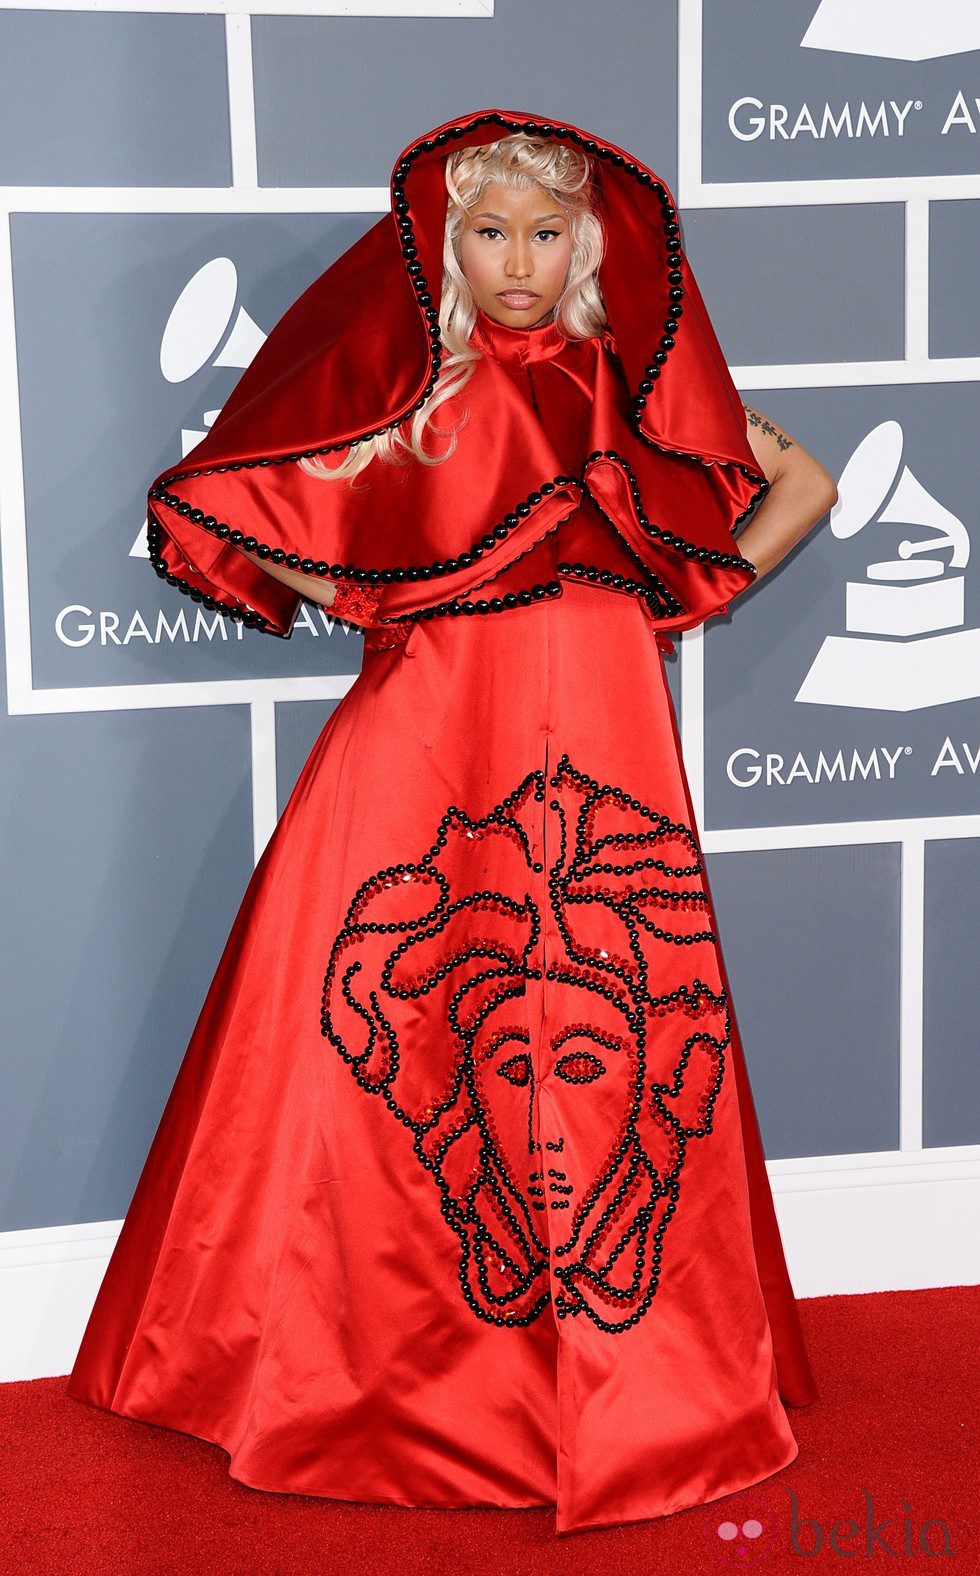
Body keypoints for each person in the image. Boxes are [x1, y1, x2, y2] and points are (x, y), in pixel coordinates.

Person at [66, 108, 835, 1537]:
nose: (521, 261)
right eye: (491, 231)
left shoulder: (634, 392)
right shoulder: (406, 398)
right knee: (368, 1059)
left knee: (613, 1056)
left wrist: (697, 583)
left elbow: (801, 486)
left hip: (607, 756)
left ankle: (628, 1372)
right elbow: (271, 499)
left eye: (549, 232)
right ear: (444, 242)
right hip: (415, 756)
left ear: (591, 246)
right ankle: (322, 1369)